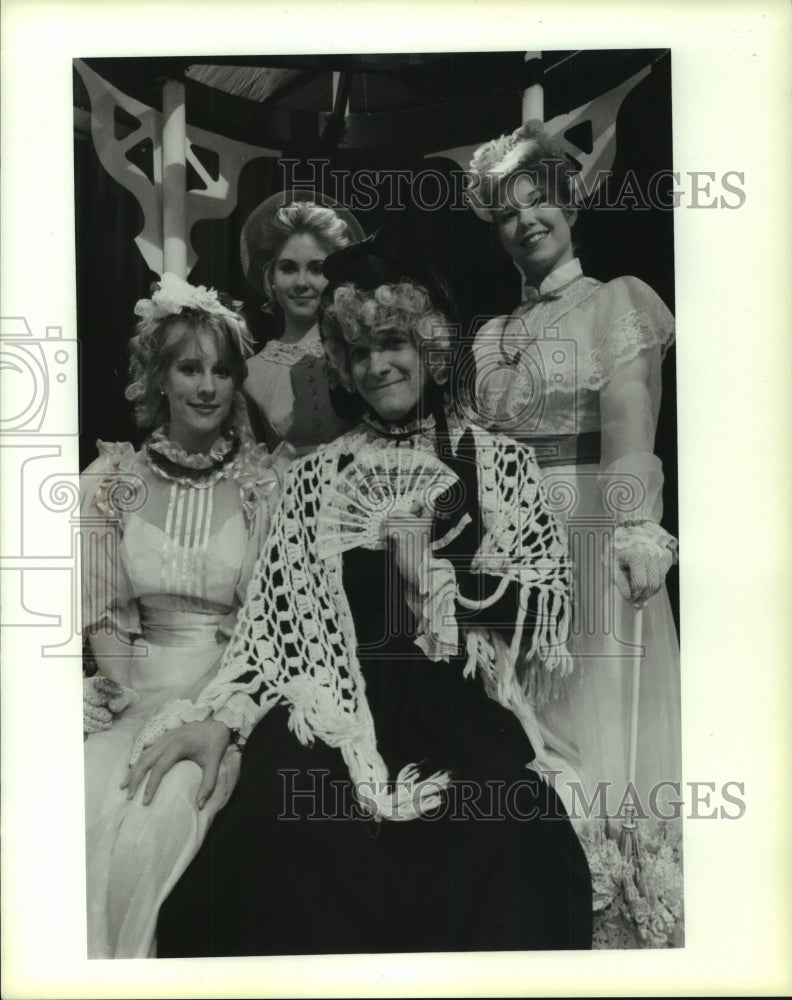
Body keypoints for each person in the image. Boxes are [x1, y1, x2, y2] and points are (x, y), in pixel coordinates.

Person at [123, 232, 593, 955]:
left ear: (429, 345)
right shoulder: (313, 480)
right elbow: (272, 633)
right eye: (359, 351)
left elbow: (547, 602)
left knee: (513, 837)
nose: (378, 366)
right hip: (329, 705)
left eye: (393, 343)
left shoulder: (498, 462)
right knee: (268, 839)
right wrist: (222, 720)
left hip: (454, 702)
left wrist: (440, 576)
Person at [465, 125, 683, 942]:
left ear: (568, 203)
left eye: (540, 201)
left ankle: (624, 924)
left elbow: (631, 413)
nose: (526, 222)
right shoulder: (488, 335)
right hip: (514, 550)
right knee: (531, 731)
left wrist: (636, 526)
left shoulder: (616, 299)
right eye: (507, 213)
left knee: (598, 723)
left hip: (593, 529)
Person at [81, 273, 287, 958]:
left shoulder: (264, 488)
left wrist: (207, 711)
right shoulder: (110, 482)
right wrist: (122, 696)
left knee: (158, 815)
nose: (207, 386)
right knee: (82, 798)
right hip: (133, 684)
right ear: (159, 378)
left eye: (222, 371)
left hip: (225, 690)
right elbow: (106, 613)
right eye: (189, 368)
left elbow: (265, 627)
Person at [240, 191, 365, 454]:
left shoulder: (361, 354)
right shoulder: (250, 373)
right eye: (288, 268)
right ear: (271, 276)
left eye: (317, 269)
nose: (301, 283)